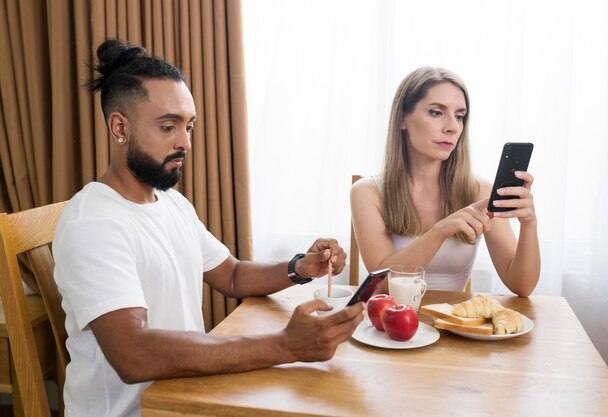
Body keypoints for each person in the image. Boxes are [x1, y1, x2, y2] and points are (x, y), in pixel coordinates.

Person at [52, 39, 364, 417]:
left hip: (188, 401)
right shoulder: (94, 224)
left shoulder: (170, 203)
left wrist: (299, 268)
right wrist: (286, 346)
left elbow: (231, 275)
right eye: (168, 126)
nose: (184, 142)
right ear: (120, 127)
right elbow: (133, 354)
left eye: (189, 127)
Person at [350, 67, 540, 297]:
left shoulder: (479, 191)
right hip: (391, 326)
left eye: (459, 116)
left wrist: (529, 224)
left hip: (455, 327)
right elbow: (384, 283)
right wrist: (440, 230)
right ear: (402, 119)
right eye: (437, 113)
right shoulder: (367, 192)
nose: (452, 127)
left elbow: (522, 286)